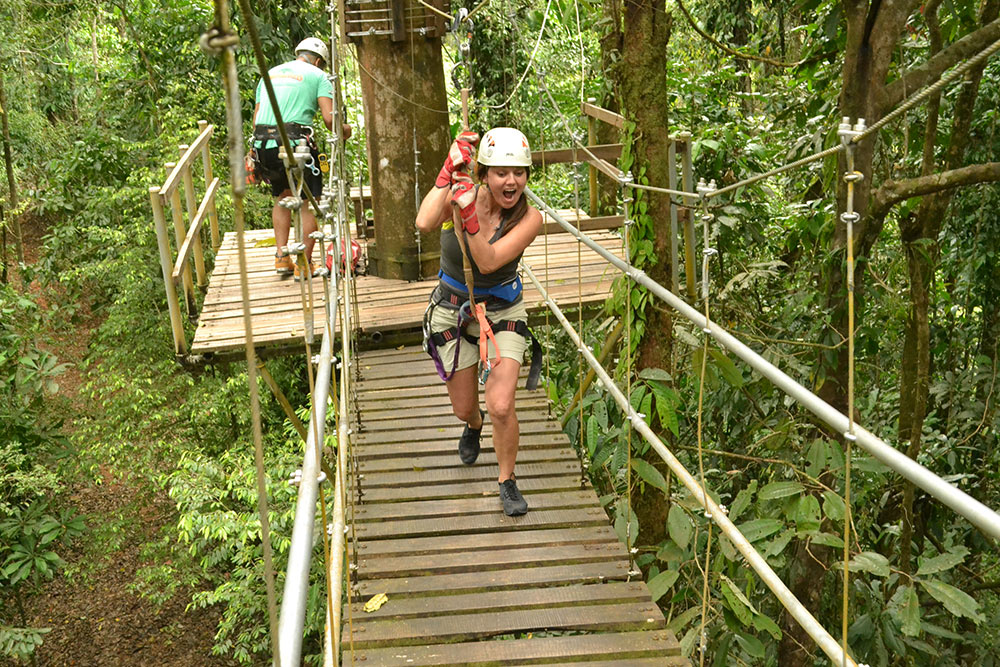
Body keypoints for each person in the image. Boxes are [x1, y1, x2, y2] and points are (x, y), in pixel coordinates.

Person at [416, 127, 542, 517]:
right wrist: (447, 172)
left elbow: (488, 262)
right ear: (484, 173)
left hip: (502, 313)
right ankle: (472, 424)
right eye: (502, 172)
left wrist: (468, 220)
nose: (511, 181)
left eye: (519, 172)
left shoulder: (530, 218)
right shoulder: (461, 195)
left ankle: (507, 480)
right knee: (465, 407)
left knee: (502, 405)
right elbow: (423, 223)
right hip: (453, 310)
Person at [251, 37, 334, 281]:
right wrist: (346, 129)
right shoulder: (319, 76)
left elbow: (256, 120)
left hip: (262, 144)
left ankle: (281, 257)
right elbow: (330, 120)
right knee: (307, 200)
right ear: (318, 61)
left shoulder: (271, 73)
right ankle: (304, 264)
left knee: (283, 196)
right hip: (294, 142)